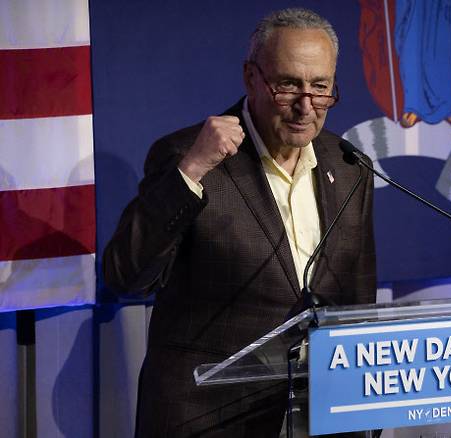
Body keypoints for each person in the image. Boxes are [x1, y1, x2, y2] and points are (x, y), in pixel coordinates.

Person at [103, 8, 376, 437]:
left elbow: (356, 297)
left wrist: (364, 409)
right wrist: (191, 171)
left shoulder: (349, 165)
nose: (306, 107)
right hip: (206, 416)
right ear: (251, 78)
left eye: (320, 87)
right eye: (288, 85)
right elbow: (126, 276)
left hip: (318, 415)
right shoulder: (188, 154)